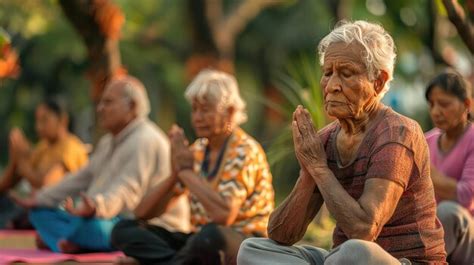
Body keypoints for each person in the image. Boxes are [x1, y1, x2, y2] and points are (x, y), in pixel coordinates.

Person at [238, 20, 447, 265]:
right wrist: (309, 172)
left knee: (356, 252)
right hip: (339, 259)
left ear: (378, 81)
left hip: (401, 261)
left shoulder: (397, 133)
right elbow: (281, 235)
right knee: (252, 249)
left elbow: (364, 230)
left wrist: (319, 168)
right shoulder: (326, 139)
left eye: (346, 74)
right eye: (328, 73)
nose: (332, 86)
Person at [111, 69, 275, 265]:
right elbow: (142, 213)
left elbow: (224, 215)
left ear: (230, 112)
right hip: (200, 243)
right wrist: (175, 174)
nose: (197, 117)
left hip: (244, 244)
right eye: (194, 109)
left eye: (205, 109)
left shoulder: (245, 151)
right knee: (124, 230)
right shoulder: (197, 151)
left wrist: (186, 172)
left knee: (211, 236)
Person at [11, 76, 189, 253]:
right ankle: (74, 241)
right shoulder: (108, 142)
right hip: (99, 216)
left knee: (100, 228)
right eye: (100, 103)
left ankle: (73, 240)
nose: (100, 108)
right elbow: (80, 178)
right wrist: (41, 198)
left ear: (132, 107)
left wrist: (97, 206)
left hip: (143, 225)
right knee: (39, 213)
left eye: (108, 103)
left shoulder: (145, 140)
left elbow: (127, 193)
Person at [0, 98, 88, 229]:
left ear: (62, 120)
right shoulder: (43, 147)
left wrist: (22, 162)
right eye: (37, 121)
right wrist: (15, 160)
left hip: (59, 209)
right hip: (35, 205)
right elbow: (6, 185)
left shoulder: (71, 148)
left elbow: (48, 185)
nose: (38, 127)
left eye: (44, 120)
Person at [425, 70, 474, 265]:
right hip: (430, 232)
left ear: (466, 104)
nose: (436, 111)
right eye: (431, 104)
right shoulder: (425, 141)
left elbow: (466, 196)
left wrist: (428, 172)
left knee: (447, 212)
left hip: (467, 236)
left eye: (444, 104)